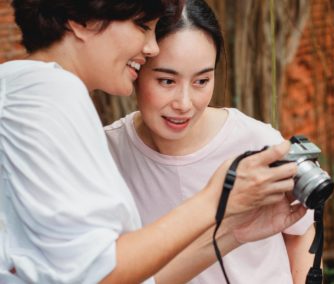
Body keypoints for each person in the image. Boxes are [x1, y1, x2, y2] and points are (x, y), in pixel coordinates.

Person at [0, 0, 307, 283]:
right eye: (142, 26)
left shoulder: (18, 88)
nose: (150, 47)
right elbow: (97, 272)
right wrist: (217, 198)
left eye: (202, 80)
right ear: (81, 20)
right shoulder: (51, 96)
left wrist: (233, 233)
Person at [105, 0, 316, 283]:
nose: (184, 103)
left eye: (201, 81)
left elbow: (302, 230)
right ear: (137, 70)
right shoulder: (106, 153)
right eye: (167, 81)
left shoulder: (257, 143)